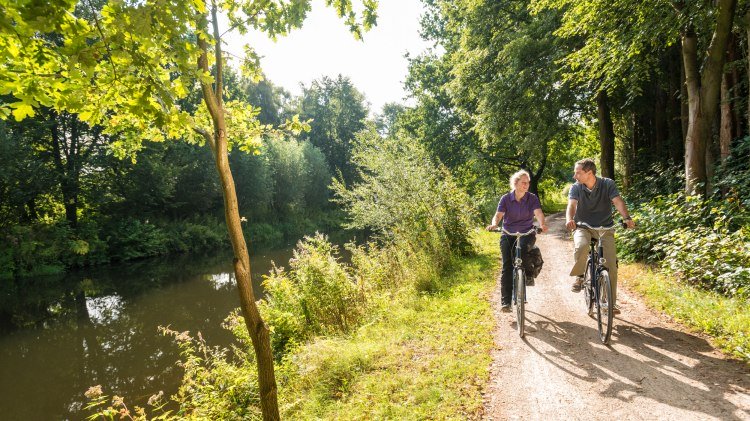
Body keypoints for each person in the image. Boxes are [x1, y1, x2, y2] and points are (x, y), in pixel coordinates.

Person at [565, 158, 635, 315]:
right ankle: (580, 276)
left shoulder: (607, 184)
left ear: (589, 173)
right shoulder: (576, 187)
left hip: (605, 228)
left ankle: (610, 303)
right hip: (583, 227)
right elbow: (572, 205)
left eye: (578, 173)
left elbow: (617, 201)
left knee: (610, 265)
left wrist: (627, 218)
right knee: (582, 246)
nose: (574, 176)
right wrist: (570, 219)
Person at [486, 170, 548, 313]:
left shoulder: (531, 198)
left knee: (524, 252)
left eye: (528, 183)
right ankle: (506, 302)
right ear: (515, 183)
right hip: (508, 233)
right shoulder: (506, 199)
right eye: (523, 183)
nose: (526, 185)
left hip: (527, 232)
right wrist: (495, 224)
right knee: (507, 266)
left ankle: (528, 275)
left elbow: (538, 213)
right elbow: (498, 215)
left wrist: (542, 224)